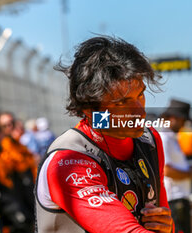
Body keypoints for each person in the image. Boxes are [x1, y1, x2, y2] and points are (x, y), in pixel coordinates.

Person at [35, 36, 173, 233]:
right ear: (90, 108)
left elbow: (167, 223)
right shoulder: (68, 159)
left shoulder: (150, 140)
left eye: (140, 95)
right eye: (121, 102)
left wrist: (165, 226)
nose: (139, 111)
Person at [159, 99, 192, 233]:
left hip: (178, 197)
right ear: (173, 118)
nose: (184, 124)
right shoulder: (165, 137)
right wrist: (191, 173)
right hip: (174, 199)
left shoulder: (171, 136)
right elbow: (166, 170)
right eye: (183, 120)